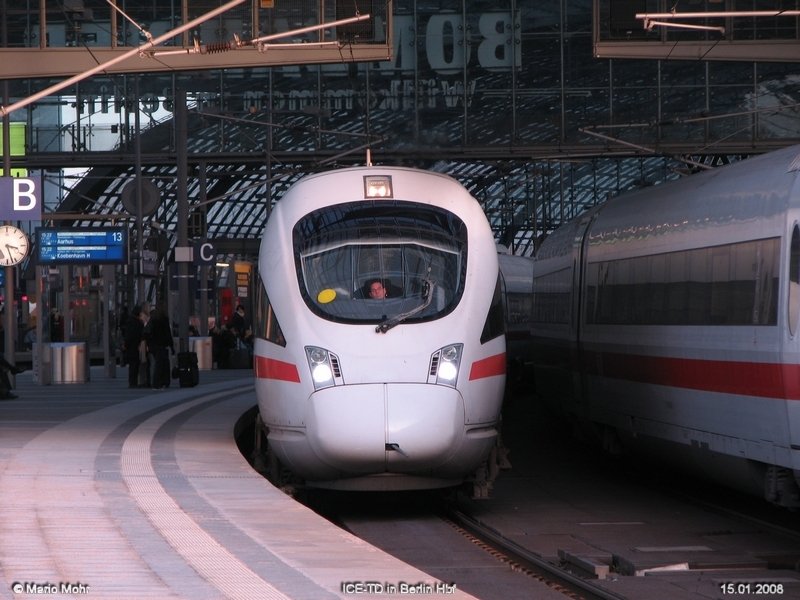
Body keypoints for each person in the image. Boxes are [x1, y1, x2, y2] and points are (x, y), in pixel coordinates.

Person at [147, 304, 174, 389]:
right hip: (162, 345)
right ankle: (163, 382)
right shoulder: (164, 320)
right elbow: (168, 334)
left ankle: (157, 382)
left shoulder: (153, 320)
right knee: (164, 364)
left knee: (158, 364)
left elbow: (148, 332)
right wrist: (171, 346)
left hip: (154, 345)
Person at [123, 305, 145, 388]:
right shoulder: (138, 323)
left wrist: (126, 344)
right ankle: (133, 382)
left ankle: (132, 382)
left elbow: (128, 335)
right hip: (136, 345)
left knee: (133, 365)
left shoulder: (130, 322)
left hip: (131, 346)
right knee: (135, 365)